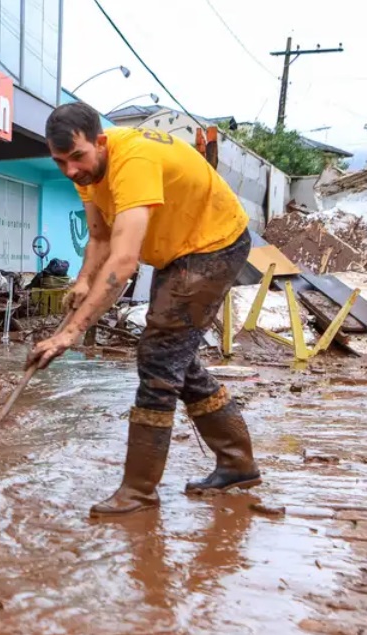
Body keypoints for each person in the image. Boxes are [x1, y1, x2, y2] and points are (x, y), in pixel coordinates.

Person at [28, 102, 261, 518]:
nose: (70, 170)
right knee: (173, 358)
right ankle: (237, 464)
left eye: (77, 157)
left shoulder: (131, 161)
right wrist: (83, 281)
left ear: (99, 141)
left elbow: (123, 262)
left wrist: (71, 332)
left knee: (158, 358)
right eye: (59, 161)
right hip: (177, 251)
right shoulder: (87, 170)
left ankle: (138, 491)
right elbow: (100, 239)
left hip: (215, 243)